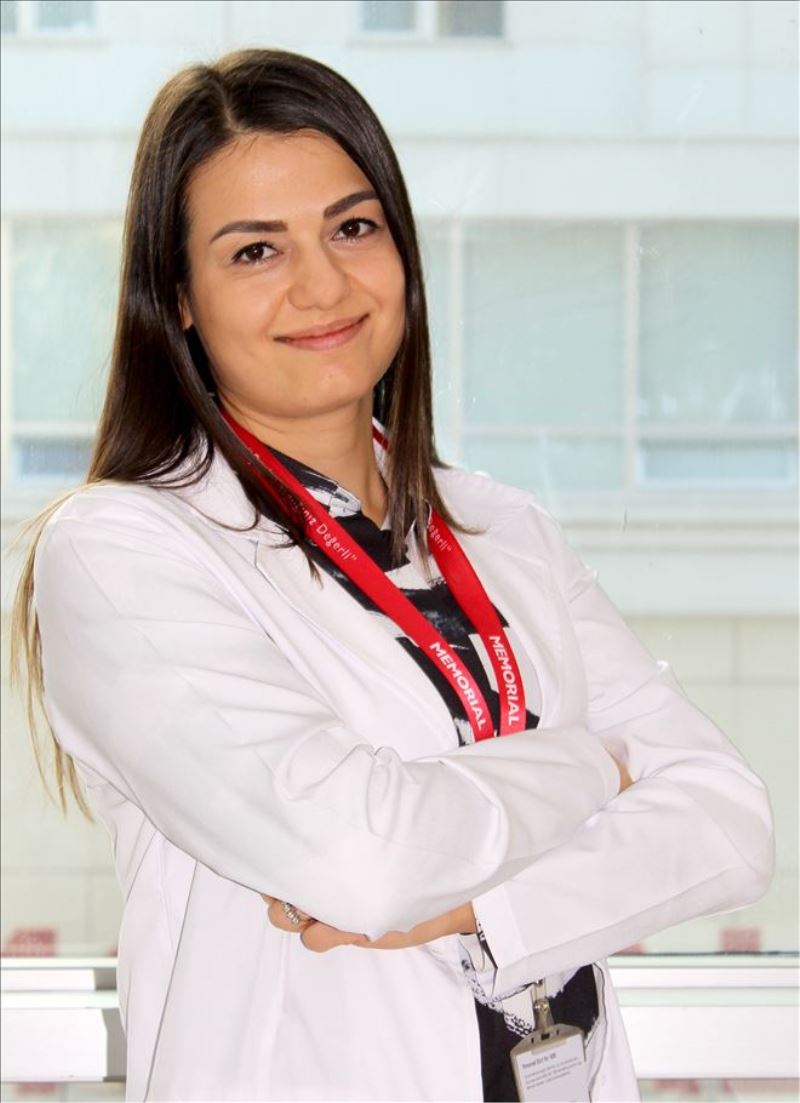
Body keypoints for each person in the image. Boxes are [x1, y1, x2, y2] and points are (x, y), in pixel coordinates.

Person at [12, 48, 774, 1103]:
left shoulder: (503, 528)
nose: (322, 285)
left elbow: (728, 821)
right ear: (177, 298)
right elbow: (364, 858)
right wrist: (592, 766)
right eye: (255, 251)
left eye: (353, 228)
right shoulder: (123, 550)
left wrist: (490, 908)